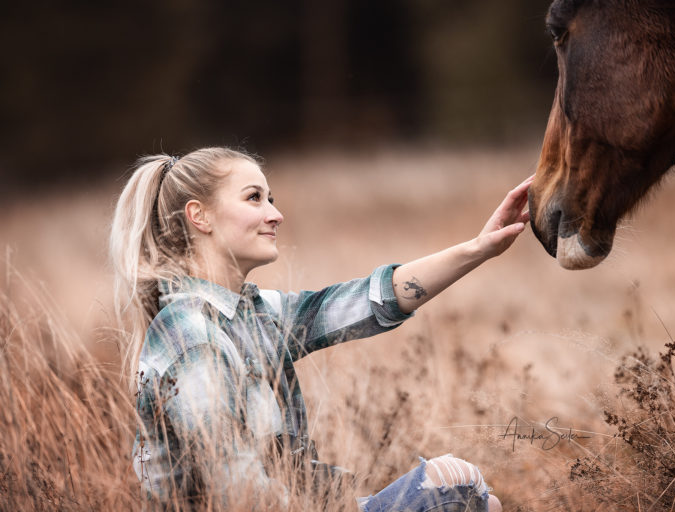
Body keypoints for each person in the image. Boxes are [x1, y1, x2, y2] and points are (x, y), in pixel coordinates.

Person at [110, 147, 532, 511]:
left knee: (477, 498)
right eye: (254, 198)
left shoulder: (255, 314)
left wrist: (479, 248)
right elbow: (233, 483)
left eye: (270, 198)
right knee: (455, 483)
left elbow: (370, 300)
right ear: (199, 216)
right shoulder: (190, 335)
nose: (275, 214)